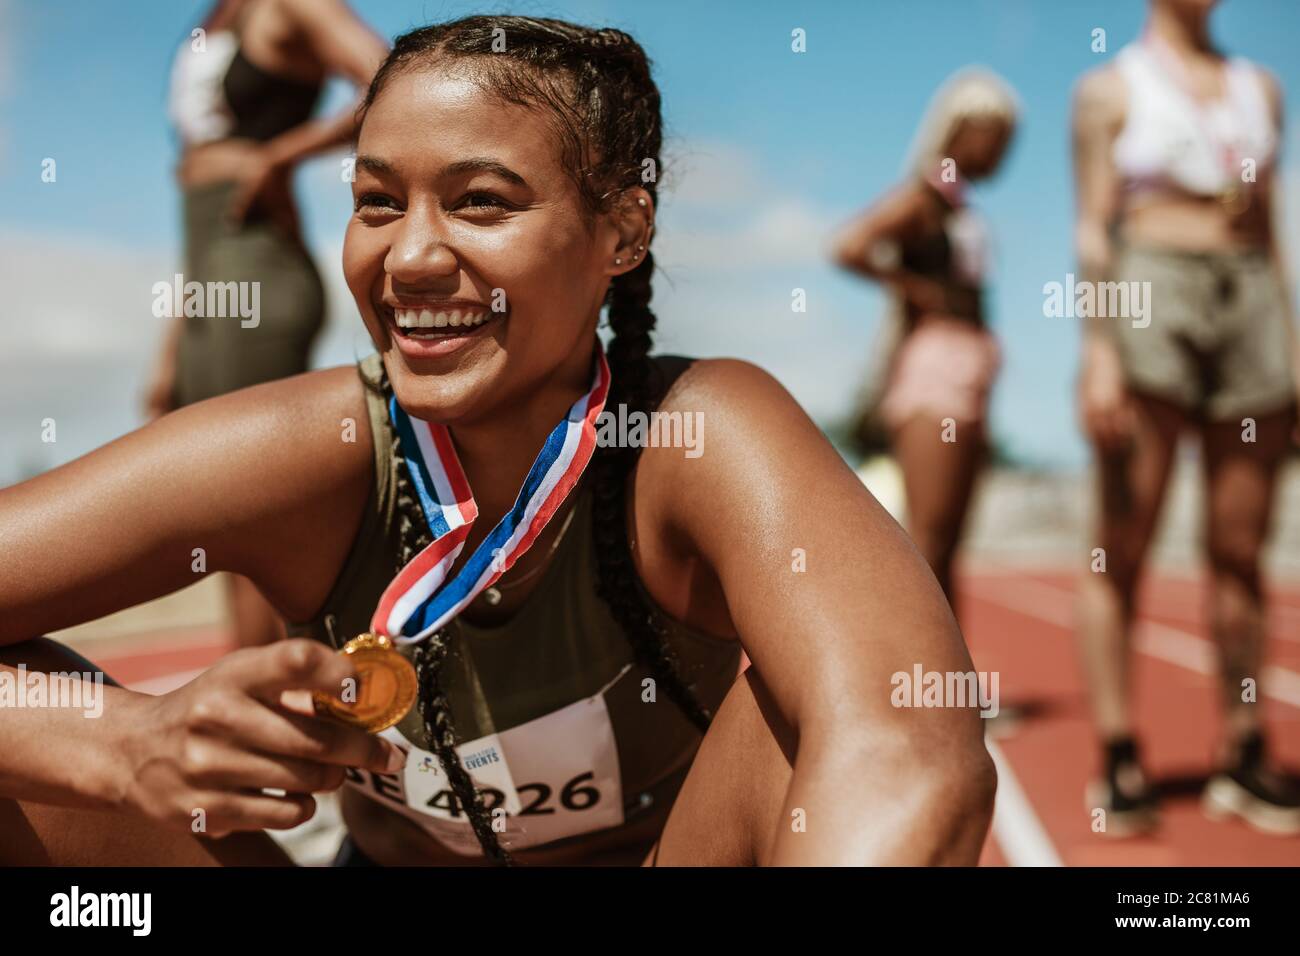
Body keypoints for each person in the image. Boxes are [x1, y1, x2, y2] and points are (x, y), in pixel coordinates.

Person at [0, 16, 995, 867]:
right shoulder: (303, 451)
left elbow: (909, 739)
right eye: (378, 202)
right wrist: (123, 740)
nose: (413, 256)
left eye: (481, 200)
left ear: (623, 231)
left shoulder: (697, 432)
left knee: (815, 720)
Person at [1072, 0, 1300, 836]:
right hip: (1150, 289)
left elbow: (1275, 225)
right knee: (1121, 542)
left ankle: (1244, 751)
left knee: (1241, 548)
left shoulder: (1261, 88)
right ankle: (1120, 750)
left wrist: (1293, 344)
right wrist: (1099, 349)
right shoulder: (1108, 89)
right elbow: (1094, 227)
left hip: (1248, 301)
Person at [147, 0, 387, 647]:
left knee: (245, 502)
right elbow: (198, 244)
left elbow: (388, 78)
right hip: (208, 266)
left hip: (257, 264)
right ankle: (260, 687)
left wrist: (281, 156)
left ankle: (277, 698)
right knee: (215, 503)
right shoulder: (214, 21)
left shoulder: (291, 5)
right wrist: (173, 344)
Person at [832, 69, 1018, 609]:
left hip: (972, 368)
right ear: (961, 128)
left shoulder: (962, 207)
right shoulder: (924, 198)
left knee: (950, 544)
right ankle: (915, 680)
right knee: (929, 538)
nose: (1003, 152)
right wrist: (913, 289)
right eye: (996, 137)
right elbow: (850, 244)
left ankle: (947, 682)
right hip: (936, 369)